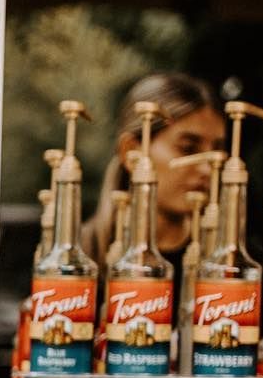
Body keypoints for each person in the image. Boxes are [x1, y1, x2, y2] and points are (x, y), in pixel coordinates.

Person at [80, 73, 226, 276]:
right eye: (188, 148)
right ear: (131, 152)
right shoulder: (80, 254)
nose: (207, 168)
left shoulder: (228, 262)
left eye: (216, 153)